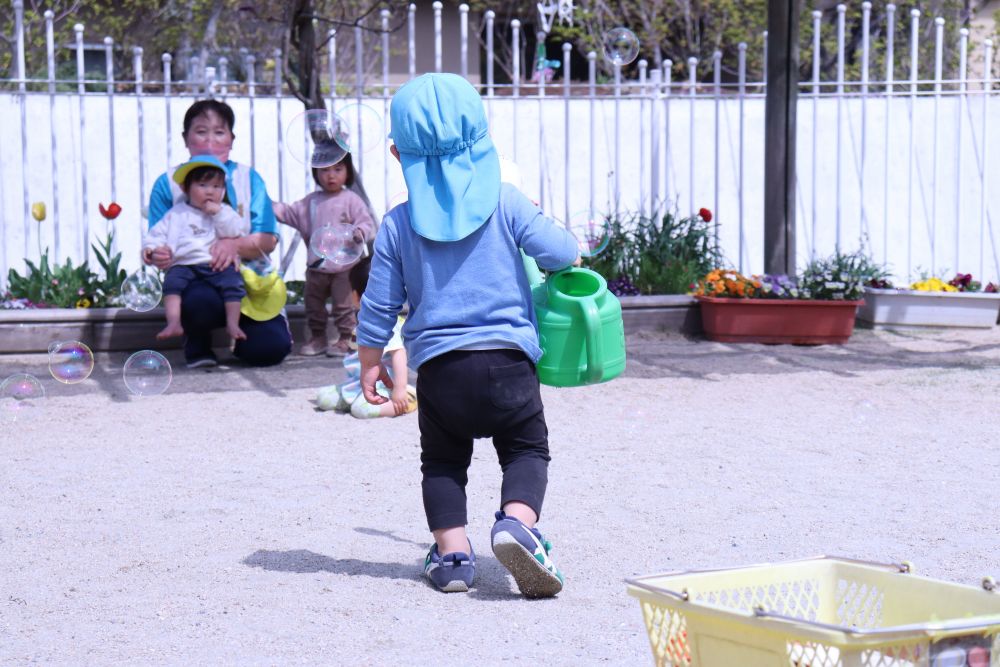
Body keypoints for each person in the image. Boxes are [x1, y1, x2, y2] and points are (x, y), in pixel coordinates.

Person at [356, 73, 579, 597]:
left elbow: (379, 306)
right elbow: (564, 252)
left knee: (442, 462)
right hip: (509, 364)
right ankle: (517, 522)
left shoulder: (397, 223)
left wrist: (372, 362)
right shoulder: (508, 200)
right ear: (483, 137)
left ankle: (454, 555)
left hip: (440, 373)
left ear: (396, 152)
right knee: (526, 450)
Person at [147, 99, 292, 368]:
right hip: (196, 279)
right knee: (200, 301)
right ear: (185, 138)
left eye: (219, 132)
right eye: (201, 131)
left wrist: (233, 245)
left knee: (270, 349)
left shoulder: (249, 178)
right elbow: (156, 239)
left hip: (250, 280)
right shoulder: (167, 183)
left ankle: (241, 338)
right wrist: (159, 254)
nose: (210, 140)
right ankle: (197, 342)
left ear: (231, 139)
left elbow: (268, 239)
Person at [273, 148, 376, 357]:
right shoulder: (310, 201)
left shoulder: (351, 200)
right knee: (313, 305)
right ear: (315, 173)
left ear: (348, 171)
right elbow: (289, 213)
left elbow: (366, 223)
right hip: (316, 267)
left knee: (343, 306)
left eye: (338, 169)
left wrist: (359, 232)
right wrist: (266, 205)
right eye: (325, 170)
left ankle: (347, 338)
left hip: (344, 268)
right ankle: (318, 338)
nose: (331, 175)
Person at [143, 155, 247, 343]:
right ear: (185, 188)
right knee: (171, 285)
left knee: (233, 283)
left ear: (223, 191)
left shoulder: (224, 211)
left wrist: (218, 214)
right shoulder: (177, 213)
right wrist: (150, 249)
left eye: (216, 187)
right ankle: (174, 322)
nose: (210, 192)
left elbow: (236, 230)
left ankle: (233, 324)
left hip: (214, 263)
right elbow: (157, 233)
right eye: (202, 185)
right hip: (183, 264)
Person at [315, 252, 415, 418]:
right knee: (323, 398)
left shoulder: (387, 324)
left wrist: (400, 389)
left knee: (361, 410)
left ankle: (409, 400)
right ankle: (356, 398)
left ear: (355, 297)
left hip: (384, 385)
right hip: (356, 384)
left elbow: (399, 354)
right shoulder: (362, 322)